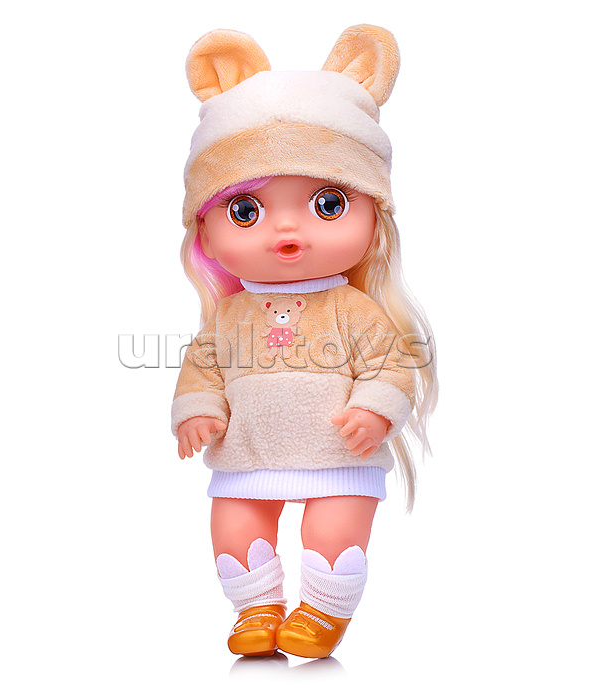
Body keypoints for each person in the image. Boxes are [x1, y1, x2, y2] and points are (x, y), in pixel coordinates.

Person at [171, 24, 438, 658]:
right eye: (247, 211)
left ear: (373, 217)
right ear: (204, 230)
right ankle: (256, 608)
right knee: (234, 524)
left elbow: (390, 363)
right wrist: (197, 409)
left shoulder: (353, 309)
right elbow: (203, 367)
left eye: (327, 204)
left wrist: (376, 408)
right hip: (247, 452)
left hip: (339, 450)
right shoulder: (229, 317)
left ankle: (322, 611)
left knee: (335, 527)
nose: (287, 231)